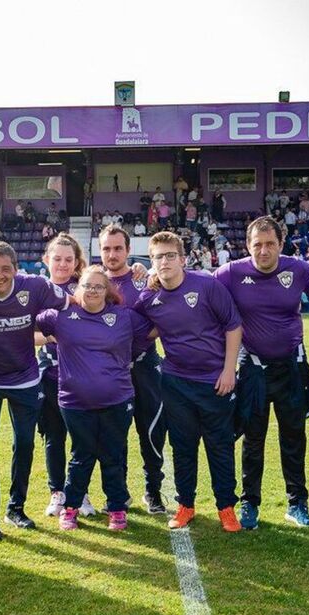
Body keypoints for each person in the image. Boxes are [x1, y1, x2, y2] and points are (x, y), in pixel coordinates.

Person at [0, 242, 70, 541]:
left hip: (24, 377)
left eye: (6, 269)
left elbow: (74, 303)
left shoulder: (34, 287)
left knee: (25, 442)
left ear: (17, 270)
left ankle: (16, 508)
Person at [214, 217, 309, 530]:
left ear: (280, 244)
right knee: (253, 438)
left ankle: (297, 503)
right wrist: (151, 274)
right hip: (253, 369)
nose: (263, 250)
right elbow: (199, 286)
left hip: (291, 367)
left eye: (269, 243)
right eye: (257, 244)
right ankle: (249, 503)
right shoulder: (231, 272)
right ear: (248, 246)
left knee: (294, 437)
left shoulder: (298, 269)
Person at [133, 232, 244, 533]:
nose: (165, 261)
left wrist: (229, 370)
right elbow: (143, 327)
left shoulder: (207, 286)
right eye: (158, 257)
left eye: (170, 255)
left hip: (214, 382)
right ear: (151, 262)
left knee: (220, 446)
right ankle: (186, 505)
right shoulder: (149, 298)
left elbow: (234, 326)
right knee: (182, 447)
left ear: (182, 259)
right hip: (175, 383)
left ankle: (226, 507)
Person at [37, 266, 153, 531]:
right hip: (74, 402)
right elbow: (28, 316)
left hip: (118, 400)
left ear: (107, 291)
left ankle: (116, 508)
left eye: (98, 287)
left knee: (113, 455)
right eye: (87, 286)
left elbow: (153, 330)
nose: (92, 291)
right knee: (81, 455)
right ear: (77, 289)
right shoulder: (61, 316)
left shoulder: (123, 316)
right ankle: (71, 508)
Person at [98, 225, 167, 514]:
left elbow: (164, 319)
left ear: (128, 250)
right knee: (113, 435)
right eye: (106, 249)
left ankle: (153, 491)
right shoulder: (92, 283)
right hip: (110, 371)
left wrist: (137, 336)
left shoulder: (145, 281)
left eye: (118, 248)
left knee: (151, 430)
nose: (112, 254)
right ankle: (118, 493)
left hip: (144, 366)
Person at [34, 234, 97, 518]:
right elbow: (24, 334)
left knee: (82, 437)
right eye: (56, 258)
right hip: (47, 374)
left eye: (68, 259)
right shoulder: (35, 290)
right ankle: (57, 492)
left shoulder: (85, 289)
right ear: (46, 260)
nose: (62, 264)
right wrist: (53, 336)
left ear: (76, 262)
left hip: (82, 375)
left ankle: (79, 492)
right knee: (53, 436)